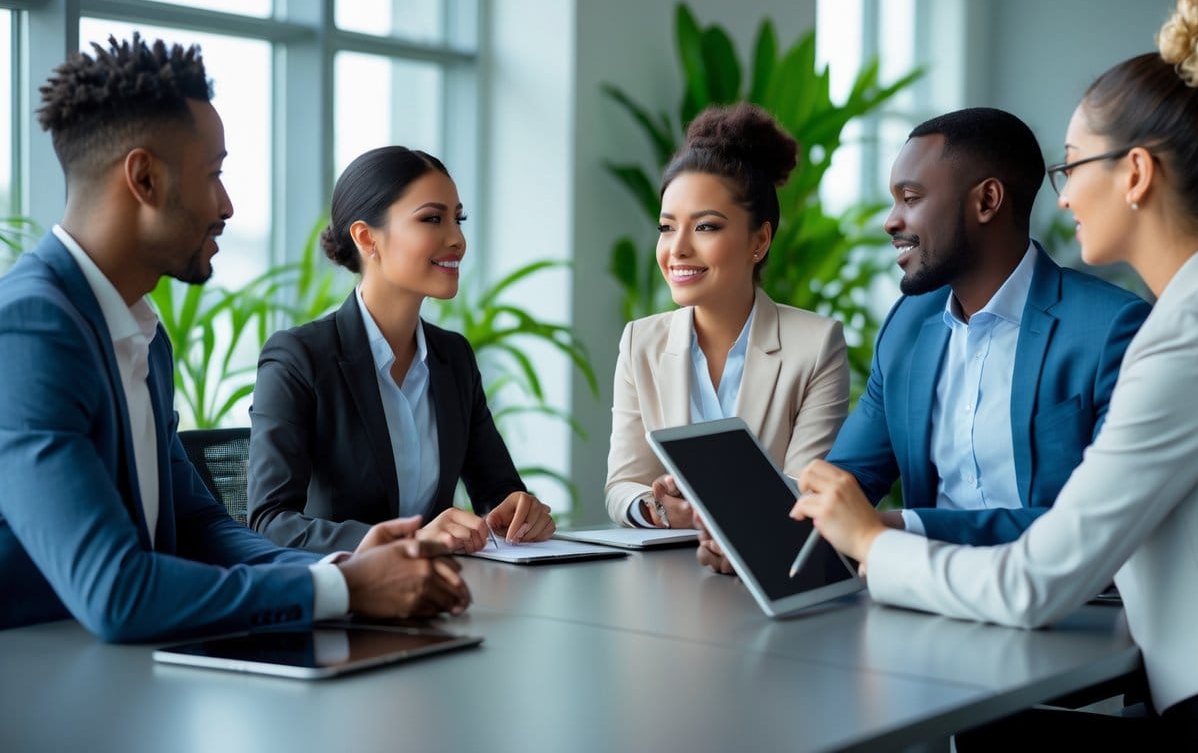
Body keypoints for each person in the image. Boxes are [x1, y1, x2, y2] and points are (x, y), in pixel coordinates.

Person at [791, 0, 1198, 749]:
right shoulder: (1189, 317)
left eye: (1072, 165)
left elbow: (1035, 580)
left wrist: (877, 536)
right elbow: (847, 474)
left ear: (1136, 174)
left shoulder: (1176, 336)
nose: (1063, 192)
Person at [0, 34, 470, 642]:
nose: (226, 205)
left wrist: (347, 567)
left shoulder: (139, 333)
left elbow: (201, 527)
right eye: (214, 175)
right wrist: (345, 589)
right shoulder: (30, 329)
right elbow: (117, 591)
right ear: (143, 178)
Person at [697, 108, 1150, 574]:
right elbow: (846, 478)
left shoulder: (1113, 329)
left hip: (1070, 611)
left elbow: (1089, 525)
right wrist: (761, 534)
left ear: (987, 200)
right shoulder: (908, 328)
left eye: (910, 198)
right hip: (922, 600)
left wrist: (887, 530)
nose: (891, 221)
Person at [247, 145, 554, 554]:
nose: (457, 239)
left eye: (457, 219)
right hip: (349, 599)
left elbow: (496, 491)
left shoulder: (453, 358)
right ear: (366, 237)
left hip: (441, 594)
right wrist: (410, 540)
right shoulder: (299, 359)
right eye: (432, 219)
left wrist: (517, 510)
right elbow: (270, 522)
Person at [605, 103, 850, 529]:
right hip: (668, 573)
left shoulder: (816, 345)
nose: (677, 248)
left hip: (767, 571)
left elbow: (806, 489)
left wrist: (715, 511)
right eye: (667, 227)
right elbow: (623, 484)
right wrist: (655, 506)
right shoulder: (640, 343)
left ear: (760, 240)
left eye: (706, 227)